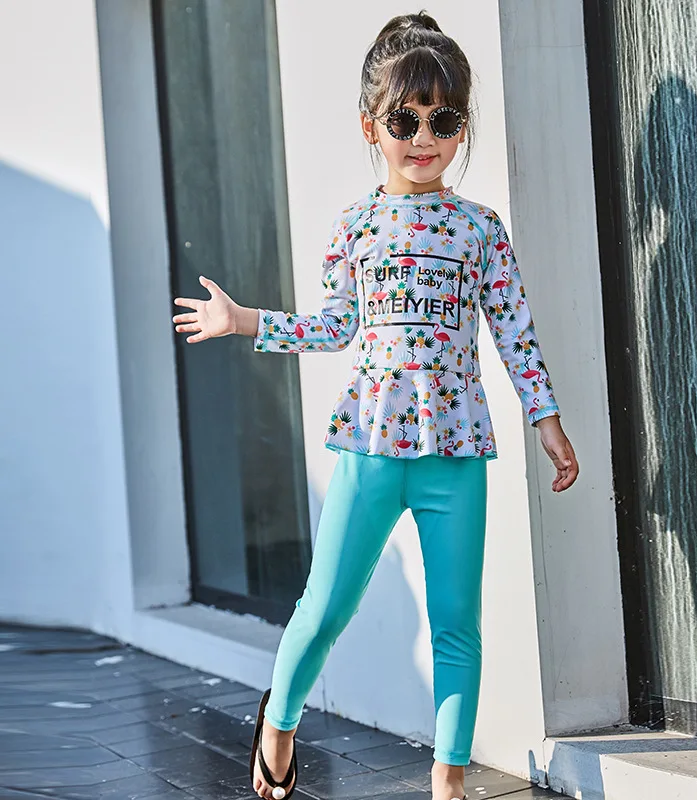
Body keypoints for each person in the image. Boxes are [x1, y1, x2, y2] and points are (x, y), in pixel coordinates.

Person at [172, 11, 579, 799]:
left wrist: (547, 420)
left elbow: (514, 331)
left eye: (443, 120)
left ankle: (449, 779)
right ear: (372, 126)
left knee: (457, 624)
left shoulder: (481, 229)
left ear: (462, 127)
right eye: (405, 120)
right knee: (324, 609)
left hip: (455, 454)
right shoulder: (356, 225)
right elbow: (334, 326)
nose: (424, 137)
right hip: (369, 449)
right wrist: (246, 319)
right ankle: (279, 722)